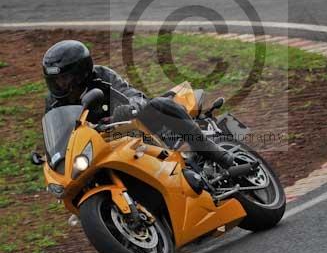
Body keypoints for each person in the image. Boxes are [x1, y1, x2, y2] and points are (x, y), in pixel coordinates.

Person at [42, 40, 234, 168]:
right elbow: (59, 132)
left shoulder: (102, 76)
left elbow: (132, 94)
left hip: (132, 128)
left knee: (159, 104)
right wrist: (50, 155)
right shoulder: (53, 101)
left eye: (64, 78)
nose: (60, 84)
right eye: (56, 80)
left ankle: (213, 152)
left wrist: (130, 108)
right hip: (100, 147)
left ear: (81, 71)